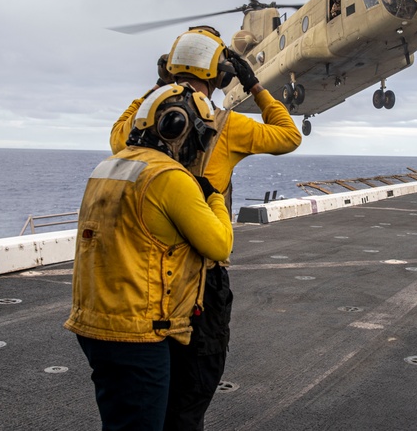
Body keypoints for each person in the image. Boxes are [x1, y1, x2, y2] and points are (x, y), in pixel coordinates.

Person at [109, 26, 301, 431]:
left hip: (146, 277)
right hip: (201, 281)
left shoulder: (141, 127)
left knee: (146, 398)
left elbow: (115, 138)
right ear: (221, 75)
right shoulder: (227, 126)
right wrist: (255, 83)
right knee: (190, 396)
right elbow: (288, 135)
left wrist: (156, 88)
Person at [66, 83, 234, 431]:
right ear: (180, 130)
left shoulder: (109, 167)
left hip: (96, 323)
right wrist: (214, 196)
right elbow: (220, 245)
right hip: (137, 333)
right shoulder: (169, 176)